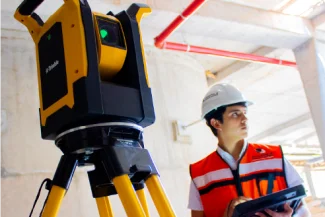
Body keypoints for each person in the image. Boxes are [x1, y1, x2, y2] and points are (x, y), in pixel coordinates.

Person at [188, 83, 311, 217]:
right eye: (235, 114)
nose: (245, 119)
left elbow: (302, 209)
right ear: (216, 123)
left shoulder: (274, 156)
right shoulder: (199, 173)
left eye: (244, 113)